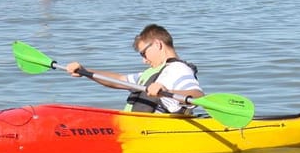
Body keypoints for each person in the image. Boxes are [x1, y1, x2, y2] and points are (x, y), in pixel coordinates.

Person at [65, 24, 204, 115]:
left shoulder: (178, 69)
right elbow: (118, 80)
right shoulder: (151, 73)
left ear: (157, 44)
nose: (144, 60)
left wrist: (167, 92)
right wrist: (85, 72)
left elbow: (198, 95)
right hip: (138, 126)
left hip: (155, 131)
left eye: (143, 53)